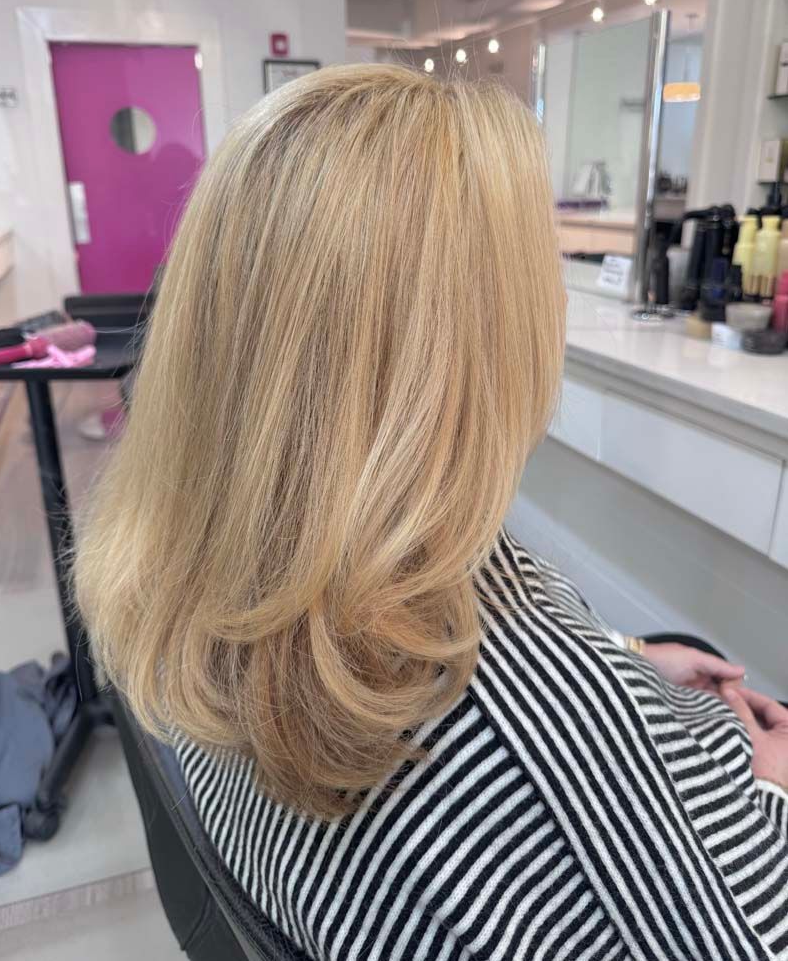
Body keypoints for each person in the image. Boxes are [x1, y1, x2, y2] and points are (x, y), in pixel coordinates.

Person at [75, 65, 788, 960]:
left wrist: (624, 661)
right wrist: (770, 788)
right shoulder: (529, 755)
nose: (558, 299)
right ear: (472, 330)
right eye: (540, 265)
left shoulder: (196, 567)